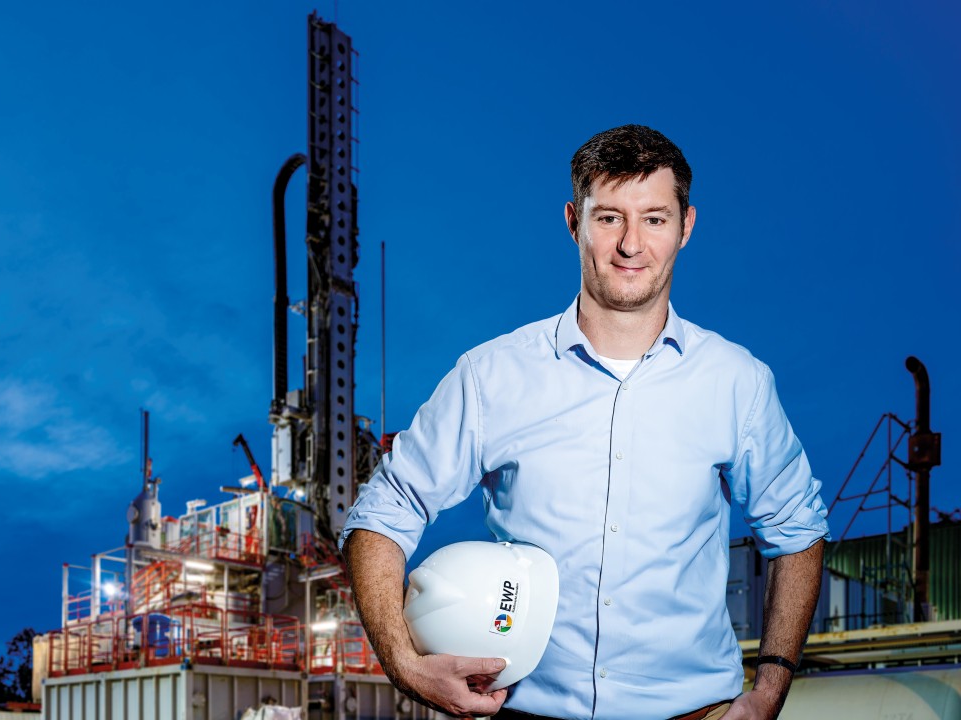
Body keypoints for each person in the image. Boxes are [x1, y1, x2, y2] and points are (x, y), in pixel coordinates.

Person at [340, 125, 828, 720]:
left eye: (654, 218)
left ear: (686, 227)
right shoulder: (491, 377)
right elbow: (380, 515)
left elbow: (797, 532)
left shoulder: (737, 383)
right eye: (608, 218)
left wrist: (770, 689)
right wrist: (406, 666)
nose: (630, 244)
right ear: (573, 221)